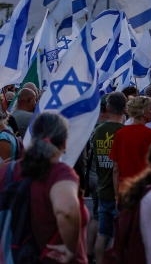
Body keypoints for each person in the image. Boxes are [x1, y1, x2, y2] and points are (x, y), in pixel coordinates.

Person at [0, 112, 90, 262]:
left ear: (33, 138)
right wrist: (70, 249)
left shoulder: (6, 171)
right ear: (64, 143)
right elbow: (67, 211)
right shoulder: (59, 173)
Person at [91, 91, 127, 262]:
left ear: (107, 107)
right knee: (121, 238)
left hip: (103, 188)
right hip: (121, 191)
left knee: (103, 234)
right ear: (125, 108)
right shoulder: (124, 132)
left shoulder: (98, 130)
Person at [109, 96, 151, 193]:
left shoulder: (120, 133)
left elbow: (116, 169)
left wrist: (117, 196)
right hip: (147, 190)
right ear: (143, 112)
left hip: (125, 189)